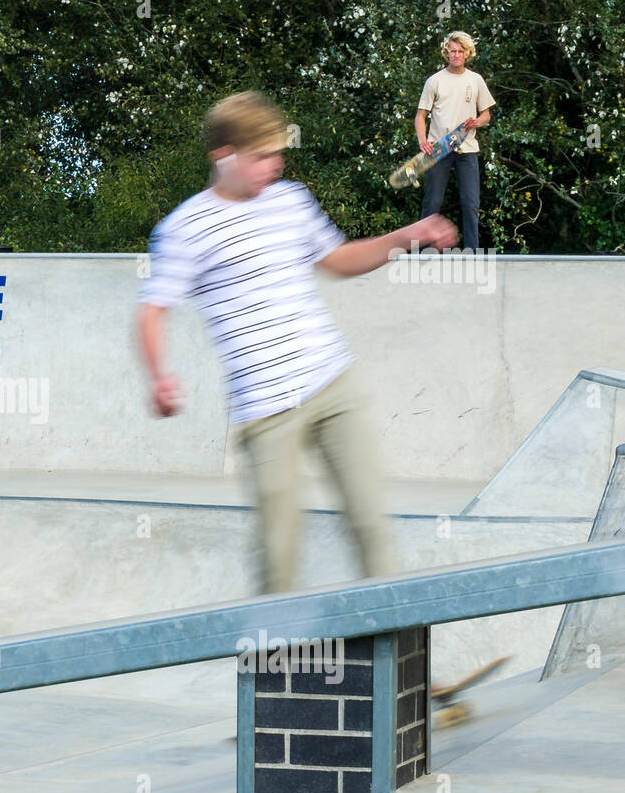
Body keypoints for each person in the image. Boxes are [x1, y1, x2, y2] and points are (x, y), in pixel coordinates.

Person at [136, 91, 458, 594]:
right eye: (261, 156)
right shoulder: (185, 228)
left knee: (370, 522)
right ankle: (269, 665)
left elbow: (336, 260)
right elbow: (152, 312)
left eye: (279, 154)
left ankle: (399, 668)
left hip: (332, 383)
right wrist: (159, 376)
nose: (275, 166)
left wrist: (404, 237)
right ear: (224, 157)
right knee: (279, 550)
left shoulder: (290, 200)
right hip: (265, 410)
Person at [415, 31, 495, 252]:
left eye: (461, 51)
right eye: (453, 51)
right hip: (439, 149)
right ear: (446, 53)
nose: (457, 55)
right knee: (433, 202)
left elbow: (486, 114)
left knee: (470, 203)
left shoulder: (475, 80)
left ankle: (472, 252)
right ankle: (424, 251)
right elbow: (420, 116)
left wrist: (477, 122)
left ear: (467, 54)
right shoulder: (435, 81)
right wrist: (423, 141)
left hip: (467, 149)